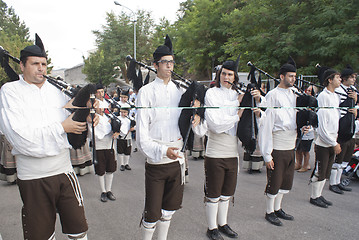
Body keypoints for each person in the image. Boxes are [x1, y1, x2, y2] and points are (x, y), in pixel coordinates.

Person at [0, 34, 89, 239]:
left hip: (64, 172)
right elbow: (21, 140)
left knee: (79, 233)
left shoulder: (58, 91)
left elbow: (75, 129)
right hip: (33, 177)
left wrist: (87, 117)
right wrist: (61, 128)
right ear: (22, 66)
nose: (41, 68)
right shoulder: (10, 92)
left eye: (44, 64)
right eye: (35, 64)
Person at [136, 34, 200, 240]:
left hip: (177, 160)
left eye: (172, 62)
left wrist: (197, 113)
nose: (169, 66)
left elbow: (190, 124)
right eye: (165, 62)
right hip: (156, 161)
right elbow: (141, 137)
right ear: (156, 65)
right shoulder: (145, 93)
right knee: (152, 213)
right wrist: (163, 151)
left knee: (169, 209)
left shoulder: (180, 92)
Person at [201, 58, 262, 239]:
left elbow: (254, 120)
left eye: (230, 74)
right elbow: (216, 125)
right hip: (215, 150)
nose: (226, 77)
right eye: (224, 73)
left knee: (227, 192)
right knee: (213, 193)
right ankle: (211, 228)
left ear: (235, 76)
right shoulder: (211, 93)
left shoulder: (238, 94)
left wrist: (255, 101)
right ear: (219, 75)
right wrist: (238, 109)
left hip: (232, 151)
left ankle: (223, 223)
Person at [258, 57, 309, 226]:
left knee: (285, 180)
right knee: (275, 179)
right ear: (281, 76)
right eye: (290, 76)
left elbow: (297, 118)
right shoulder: (272, 96)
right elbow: (266, 126)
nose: (293, 79)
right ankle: (269, 211)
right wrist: (267, 155)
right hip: (277, 144)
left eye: (295, 76)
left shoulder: (296, 95)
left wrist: (303, 127)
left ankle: (278, 208)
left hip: (290, 143)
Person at [309, 67, 343, 208]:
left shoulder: (335, 96)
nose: (340, 80)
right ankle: (313, 196)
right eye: (337, 77)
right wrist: (332, 142)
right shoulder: (323, 96)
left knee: (326, 172)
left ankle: (319, 194)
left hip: (332, 140)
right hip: (324, 143)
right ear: (330, 80)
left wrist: (335, 141)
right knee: (320, 170)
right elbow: (322, 127)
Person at [329, 65, 357, 193]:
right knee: (338, 158)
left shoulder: (354, 90)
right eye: (351, 77)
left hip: (351, 128)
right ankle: (333, 183)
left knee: (346, 158)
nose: (353, 79)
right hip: (341, 127)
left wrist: (355, 103)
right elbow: (335, 107)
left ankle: (338, 181)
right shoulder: (338, 91)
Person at [94, 83, 118, 202]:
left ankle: (109, 190)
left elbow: (116, 125)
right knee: (101, 170)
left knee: (110, 169)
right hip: (99, 146)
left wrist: (115, 130)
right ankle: (103, 191)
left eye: (102, 92)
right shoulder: (92, 117)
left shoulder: (109, 116)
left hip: (109, 145)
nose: (101, 109)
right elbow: (94, 133)